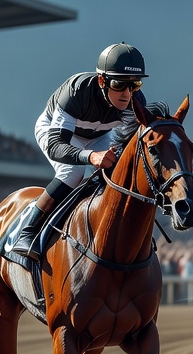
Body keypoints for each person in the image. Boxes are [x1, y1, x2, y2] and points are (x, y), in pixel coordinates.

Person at [10, 43, 165, 259]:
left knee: (117, 173)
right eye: (119, 84)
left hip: (99, 136)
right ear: (102, 80)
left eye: (134, 85)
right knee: (73, 173)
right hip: (59, 133)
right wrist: (91, 156)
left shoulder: (136, 102)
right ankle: (28, 230)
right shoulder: (77, 91)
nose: (127, 93)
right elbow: (56, 145)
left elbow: (131, 149)